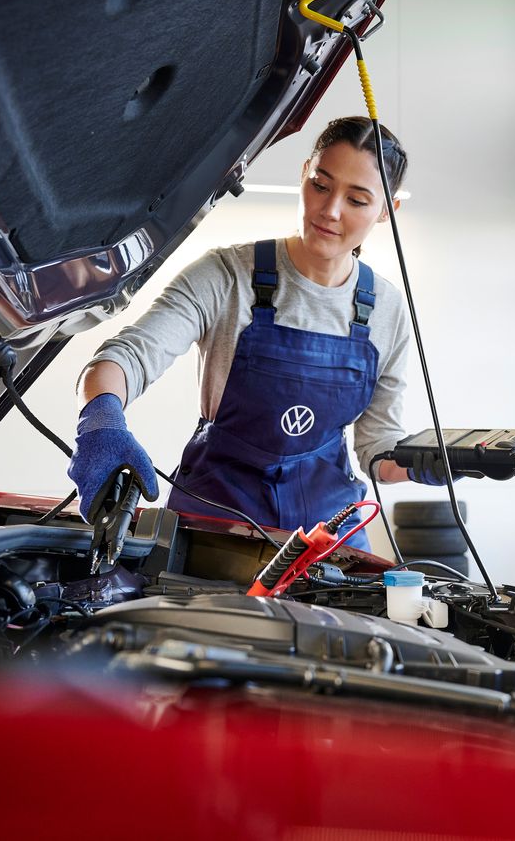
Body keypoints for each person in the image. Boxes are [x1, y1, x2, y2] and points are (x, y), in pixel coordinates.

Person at [67, 116, 454, 551]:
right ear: (303, 172)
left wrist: (428, 463)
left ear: (387, 211)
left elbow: (377, 448)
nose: (330, 210)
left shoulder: (387, 308)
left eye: (358, 199)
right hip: (214, 520)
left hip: (328, 534)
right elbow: (126, 357)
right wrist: (101, 421)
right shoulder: (226, 276)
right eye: (320, 185)